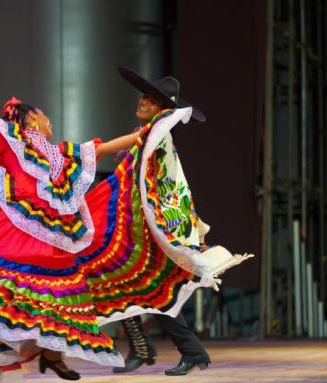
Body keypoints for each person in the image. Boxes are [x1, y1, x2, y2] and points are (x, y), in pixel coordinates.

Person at [0, 48, 251, 382]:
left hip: (49, 239)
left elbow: (107, 148)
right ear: (32, 117)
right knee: (3, 290)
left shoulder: (61, 153)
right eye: (43, 114)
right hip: (15, 231)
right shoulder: (13, 138)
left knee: (36, 299)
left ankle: (25, 359)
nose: (49, 119)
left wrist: (162, 124)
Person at [112, 67, 212, 376]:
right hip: (151, 223)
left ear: (162, 110)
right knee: (130, 284)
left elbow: (168, 186)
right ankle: (147, 347)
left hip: (160, 226)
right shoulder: (149, 133)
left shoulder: (156, 136)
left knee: (155, 291)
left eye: (150, 100)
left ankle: (185, 350)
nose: (142, 101)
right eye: (143, 96)